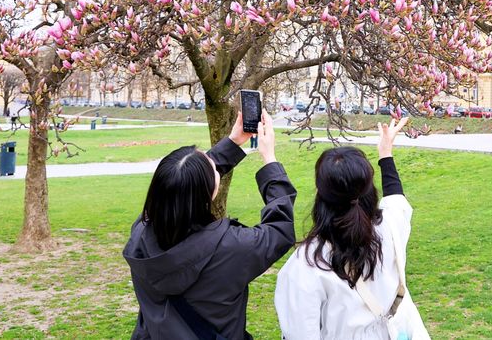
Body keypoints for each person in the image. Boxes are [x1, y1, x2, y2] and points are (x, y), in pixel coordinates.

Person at [124, 109, 296, 340]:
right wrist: (269, 159)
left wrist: (234, 142)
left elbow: (183, 183)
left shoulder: (140, 236)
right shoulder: (231, 247)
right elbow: (279, 229)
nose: (214, 165)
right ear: (209, 193)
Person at [275, 118, 429, 339]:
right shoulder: (389, 227)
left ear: (321, 195)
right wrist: (386, 154)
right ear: (368, 189)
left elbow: (300, 332)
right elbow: (397, 199)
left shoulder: (305, 264)